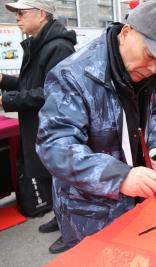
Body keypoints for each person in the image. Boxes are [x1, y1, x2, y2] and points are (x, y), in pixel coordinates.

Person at [36, 1, 156, 254]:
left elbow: (154, 111)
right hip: (91, 211)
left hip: (137, 197)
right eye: (150, 55)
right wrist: (120, 176)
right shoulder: (73, 75)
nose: (153, 68)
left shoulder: (145, 72)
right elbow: (55, 147)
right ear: (126, 33)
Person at [0, 0, 76, 237]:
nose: (17, 18)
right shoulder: (37, 44)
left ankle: (71, 230)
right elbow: (29, 85)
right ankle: (59, 216)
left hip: (54, 129)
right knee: (47, 179)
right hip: (39, 127)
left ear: (41, 14)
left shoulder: (59, 47)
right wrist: (3, 80)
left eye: (21, 13)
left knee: (60, 181)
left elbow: (51, 93)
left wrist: (6, 101)